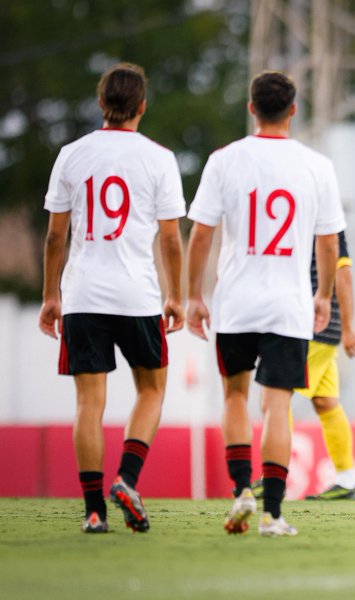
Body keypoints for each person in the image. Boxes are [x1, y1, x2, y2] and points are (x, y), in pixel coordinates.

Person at [186, 71, 345, 537]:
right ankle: (274, 514)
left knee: (234, 396)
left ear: (251, 108)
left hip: (236, 301)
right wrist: (323, 296)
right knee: (277, 406)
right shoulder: (317, 166)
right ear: (293, 110)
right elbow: (330, 243)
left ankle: (241, 491)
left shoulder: (224, 160)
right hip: (288, 304)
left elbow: (201, 234)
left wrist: (194, 295)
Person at [39, 63, 185, 534]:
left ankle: (93, 511)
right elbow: (170, 240)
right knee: (151, 389)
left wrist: (50, 295)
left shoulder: (71, 155)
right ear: (142, 106)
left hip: (82, 294)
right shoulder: (159, 158)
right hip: (137, 295)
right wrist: (177, 295)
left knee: (89, 402)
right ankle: (127, 477)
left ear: (102, 104)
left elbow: (54, 238)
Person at [251, 230, 355, 501]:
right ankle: (346, 480)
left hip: (310, 325)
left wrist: (349, 327)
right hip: (322, 325)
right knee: (326, 402)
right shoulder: (312, 212)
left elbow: (343, 273)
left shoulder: (324, 218)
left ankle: (273, 475)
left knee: (275, 396)